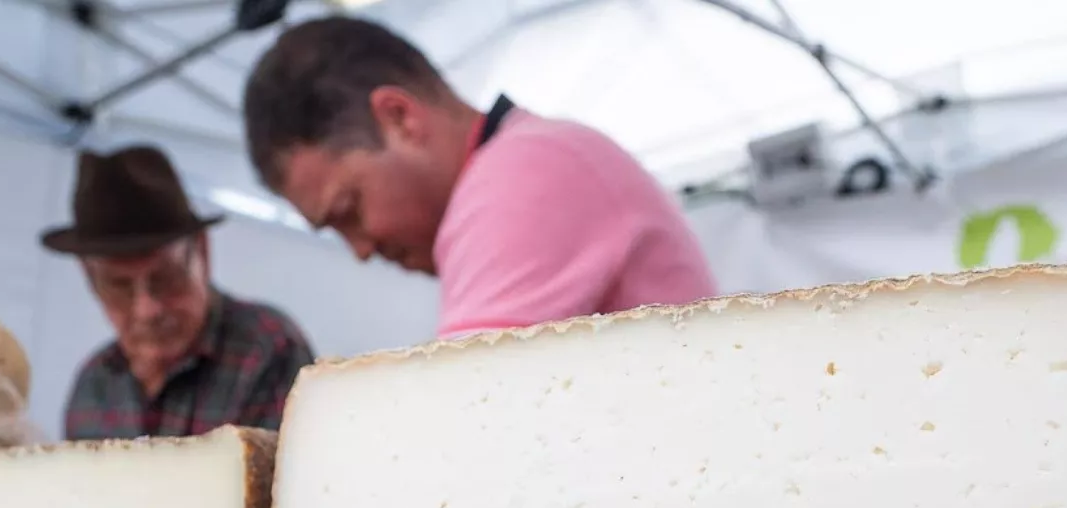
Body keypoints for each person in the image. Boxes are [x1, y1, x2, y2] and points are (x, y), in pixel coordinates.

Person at [242, 16, 718, 340]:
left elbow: (466, 418)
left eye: (350, 211)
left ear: (400, 118)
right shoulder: (536, 154)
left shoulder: (524, 171)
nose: (361, 250)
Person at [41, 145, 315, 439]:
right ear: (89, 279)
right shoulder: (93, 386)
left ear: (202, 252)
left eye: (165, 279)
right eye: (119, 287)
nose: (147, 310)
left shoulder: (268, 348)